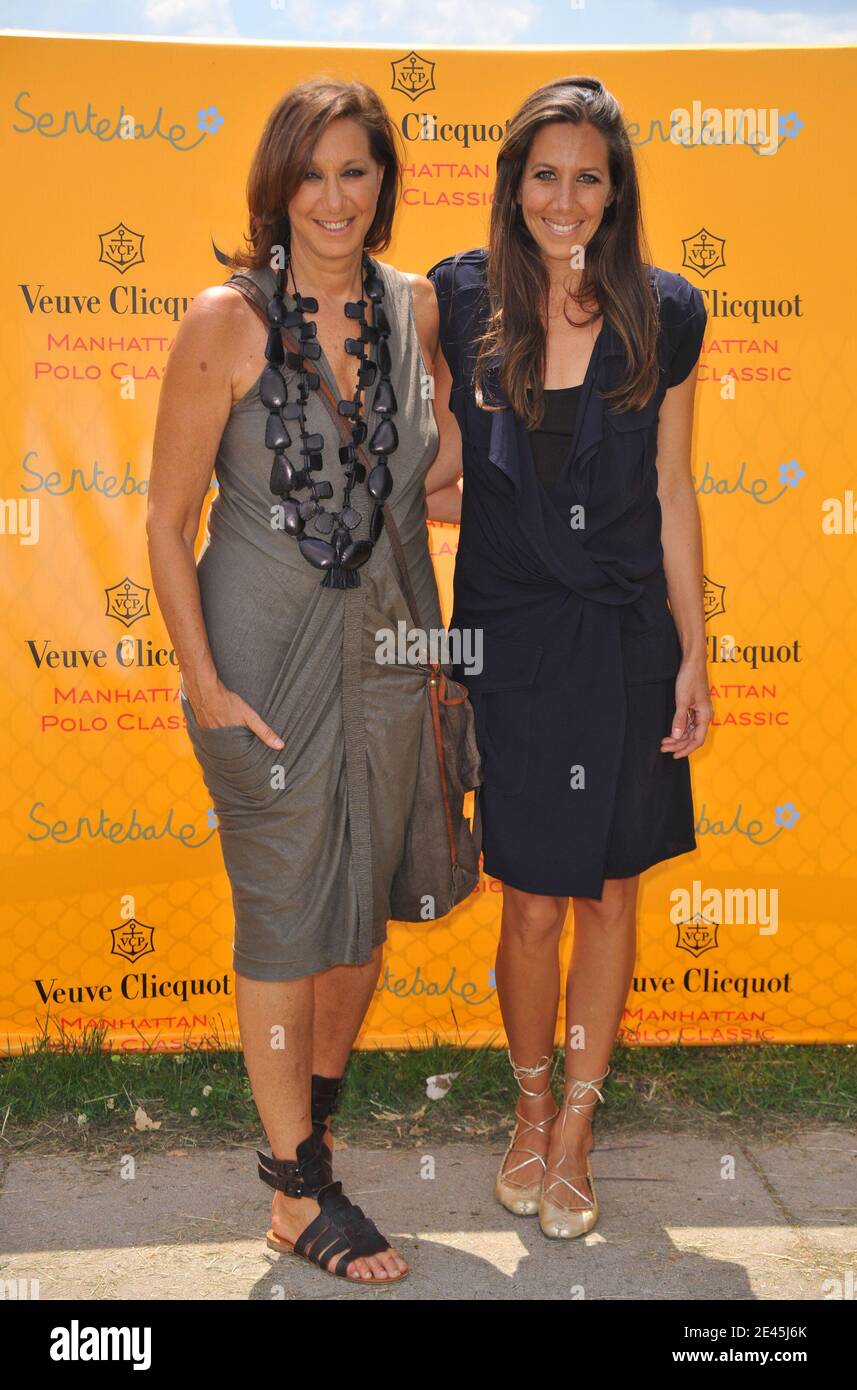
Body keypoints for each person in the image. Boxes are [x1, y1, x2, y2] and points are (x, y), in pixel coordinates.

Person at [147, 77, 452, 1285]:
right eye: (313, 172)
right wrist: (206, 685)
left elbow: (428, 482)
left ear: (382, 183)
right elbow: (168, 523)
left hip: (386, 646)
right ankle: (293, 1191)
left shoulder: (415, 308)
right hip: (261, 653)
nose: (335, 196)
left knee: (357, 918)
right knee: (284, 911)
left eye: (357, 171)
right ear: (278, 185)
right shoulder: (223, 320)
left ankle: (307, 1127)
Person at [425, 75, 712, 1238]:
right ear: (513, 184)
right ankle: (529, 1110)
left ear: (614, 189)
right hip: (507, 634)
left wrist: (694, 651)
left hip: (624, 634)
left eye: (586, 176)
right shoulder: (456, 299)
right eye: (543, 173)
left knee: (605, 894)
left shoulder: (667, 312)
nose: (563, 196)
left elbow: (672, 490)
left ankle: (580, 1132)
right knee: (528, 903)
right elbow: (438, 465)